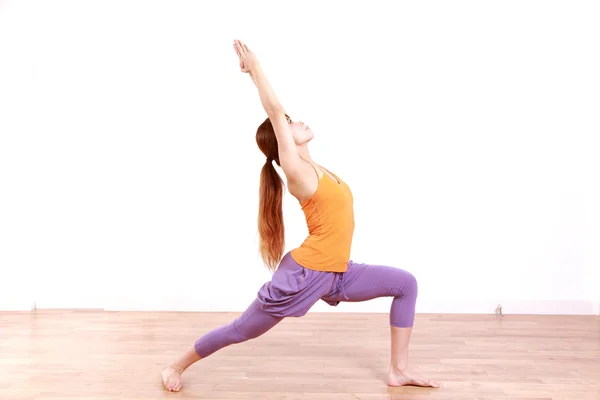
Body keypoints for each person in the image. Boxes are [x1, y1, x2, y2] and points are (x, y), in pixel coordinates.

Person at [161, 40, 440, 392]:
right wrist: (255, 71)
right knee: (242, 330)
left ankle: (398, 371)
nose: (297, 120)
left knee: (406, 284)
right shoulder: (297, 172)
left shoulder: (316, 167)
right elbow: (276, 111)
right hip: (307, 274)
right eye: (290, 123)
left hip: (337, 271)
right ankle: (175, 365)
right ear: (283, 142)